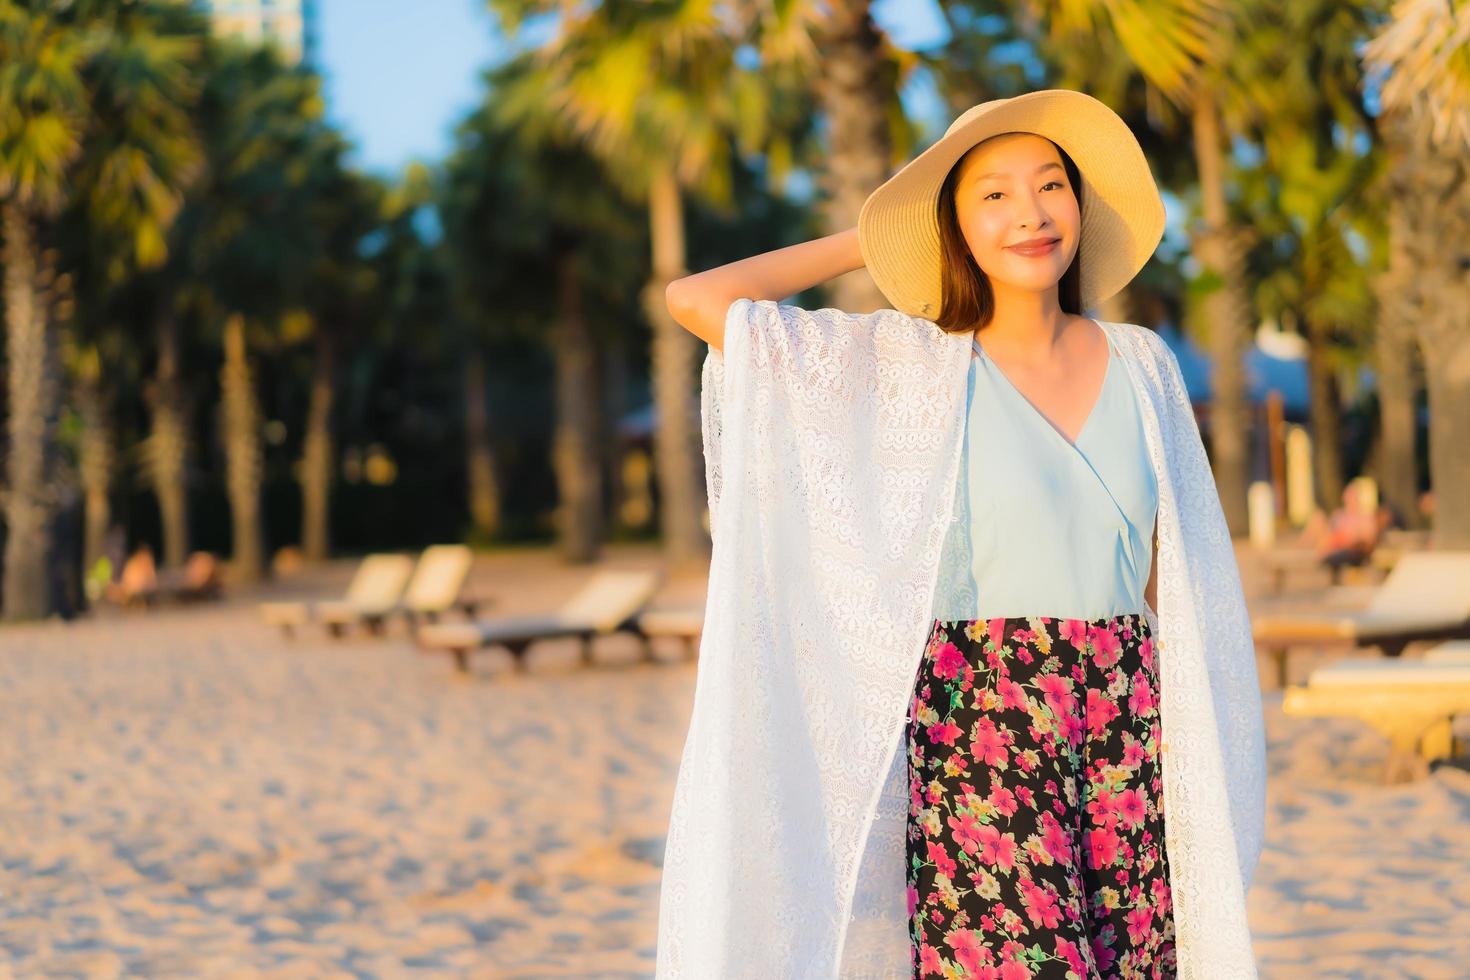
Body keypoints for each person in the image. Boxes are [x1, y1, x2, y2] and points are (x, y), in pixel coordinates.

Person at [659, 89, 1265, 979]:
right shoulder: (911, 368)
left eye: (1051, 184)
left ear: (1081, 206)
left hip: (1131, 722)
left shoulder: (1144, 363)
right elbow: (701, 298)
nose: (1030, 212)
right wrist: (880, 240)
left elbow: (1186, 577)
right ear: (958, 226)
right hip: (980, 717)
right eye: (993, 195)